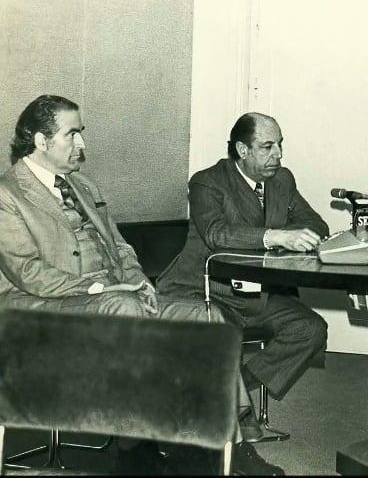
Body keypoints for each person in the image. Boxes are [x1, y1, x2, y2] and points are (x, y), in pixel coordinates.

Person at [0, 95, 283, 475]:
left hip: (114, 295)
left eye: (81, 133)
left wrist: (136, 281)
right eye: (72, 135)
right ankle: (140, 447)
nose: (82, 143)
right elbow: (27, 272)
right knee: (126, 309)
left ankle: (225, 446)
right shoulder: (8, 193)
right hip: (42, 305)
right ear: (40, 141)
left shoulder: (83, 185)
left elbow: (119, 246)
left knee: (208, 317)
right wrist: (101, 291)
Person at [157, 111, 329, 423]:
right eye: (267, 147)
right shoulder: (207, 183)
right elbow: (216, 234)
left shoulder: (282, 180)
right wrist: (274, 236)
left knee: (311, 329)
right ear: (242, 150)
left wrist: (292, 237)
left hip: (255, 295)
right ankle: (233, 409)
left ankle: (238, 392)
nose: (277, 154)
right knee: (222, 334)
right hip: (203, 291)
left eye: (279, 145)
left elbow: (315, 223)